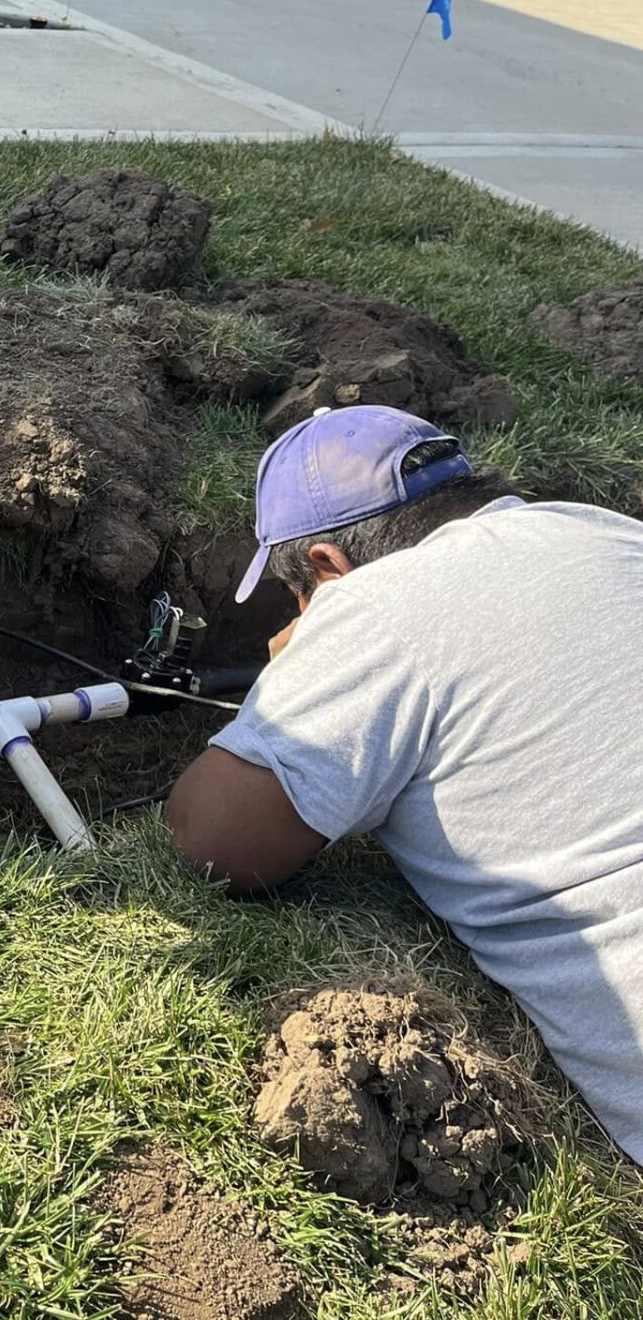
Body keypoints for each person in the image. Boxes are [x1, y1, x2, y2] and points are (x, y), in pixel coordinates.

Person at [167, 404, 643, 1162]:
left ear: (326, 564)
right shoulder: (612, 532)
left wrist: (304, 667)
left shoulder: (376, 605)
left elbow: (213, 839)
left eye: (299, 595)